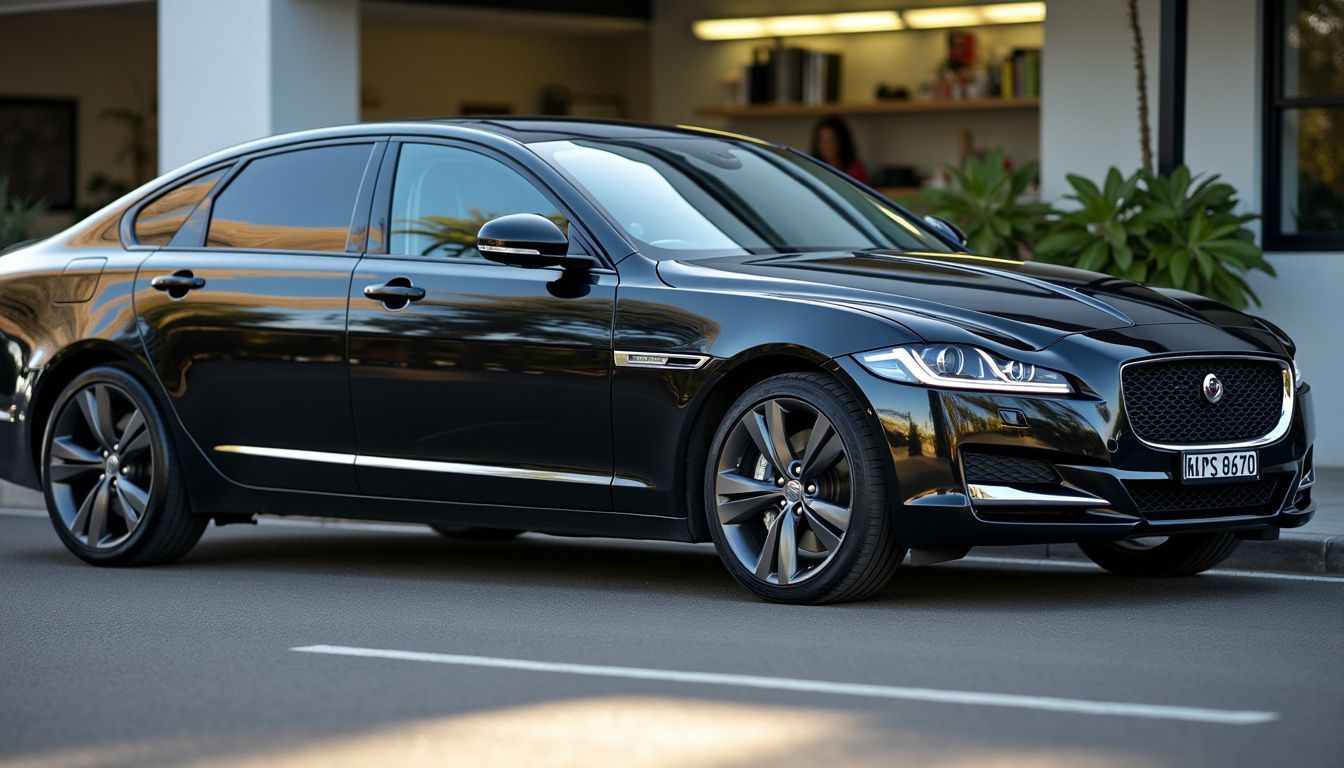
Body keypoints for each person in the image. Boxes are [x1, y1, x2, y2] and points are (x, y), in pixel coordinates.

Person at [810, 116, 868, 184]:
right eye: (821, 141)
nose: (824, 146)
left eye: (829, 141)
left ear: (841, 142)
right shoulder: (812, 169)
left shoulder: (855, 170)